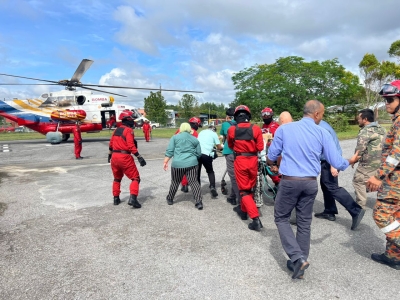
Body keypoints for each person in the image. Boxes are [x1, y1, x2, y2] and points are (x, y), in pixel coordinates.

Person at [267, 100, 360, 279]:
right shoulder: (322, 132)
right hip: (310, 183)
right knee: (304, 222)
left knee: (281, 217)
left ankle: (297, 258)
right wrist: (351, 160)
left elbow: (272, 155)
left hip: (290, 182)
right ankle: (301, 263)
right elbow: (337, 161)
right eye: (322, 114)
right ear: (316, 114)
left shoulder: (284, 129)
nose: (322, 117)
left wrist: (272, 163)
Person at [366, 80, 400, 270]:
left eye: (390, 99)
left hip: (395, 181)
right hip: (395, 180)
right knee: (396, 217)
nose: (387, 103)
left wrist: (378, 176)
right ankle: (393, 256)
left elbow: (397, 154)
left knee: (381, 215)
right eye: (385, 99)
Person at [314, 120, 365, 229]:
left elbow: (332, 147)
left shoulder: (322, 128)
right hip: (327, 160)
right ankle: (329, 211)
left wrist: (333, 164)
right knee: (325, 185)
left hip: (330, 160)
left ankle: (356, 210)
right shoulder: (320, 124)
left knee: (332, 187)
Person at [227, 105, 264, 231]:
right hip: (253, 160)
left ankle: (255, 219)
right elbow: (260, 147)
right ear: (248, 116)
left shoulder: (232, 130)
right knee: (250, 189)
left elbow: (231, 145)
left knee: (243, 191)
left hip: (240, 160)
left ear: (236, 116)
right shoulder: (256, 129)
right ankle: (243, 211)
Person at [108, 110, 147, 208]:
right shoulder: (128, 130)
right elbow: (130, 146)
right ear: (128, 120)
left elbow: (111, 145)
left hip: (114, 157)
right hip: (124, 157)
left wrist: (109, 155)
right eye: (131, 119)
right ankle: (133, 199)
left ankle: (116, 198)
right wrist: (139, 157)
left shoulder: (116, 130)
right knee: (135, 178)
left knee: (117, 178)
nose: (133, 121)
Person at [164, 122, 203, 210]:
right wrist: (193, 158)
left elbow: (170, 151)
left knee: (175, 181)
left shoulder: (175, 137)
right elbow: (199, 153)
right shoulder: (194, 139)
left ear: (180, 128)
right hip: (192, 163)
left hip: (177, 163)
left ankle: (170, 198)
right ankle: (198, 201)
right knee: (194, 182)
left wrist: (165, 162)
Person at [352, 109, 385, 209]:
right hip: (382, 162)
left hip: (368, 164)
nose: (358, 120)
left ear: (365, 119)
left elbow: (360, 150)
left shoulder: (365, 131)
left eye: (359, 118)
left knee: (358, 181)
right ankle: (384, 203)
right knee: (379, 180)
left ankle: (360, 206)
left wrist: (354, 160)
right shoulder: (381, 129)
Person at [219, 108, 240, 205]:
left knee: (233, 176)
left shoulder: (225, 124)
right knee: (238, 175)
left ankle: (240, 200)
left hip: (229, 151)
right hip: (240, 151)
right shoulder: (240, 123)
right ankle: (232, 196)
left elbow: (223, 136)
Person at [175, 117, 201, 193]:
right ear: (195, 124)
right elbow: (196, 144)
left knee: (181, 169)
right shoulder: (195, 133)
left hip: (179, 153)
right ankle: (187, 184)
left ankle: (184, 184)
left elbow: (174, 139)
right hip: (190, 154)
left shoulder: (180, 130)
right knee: (189, 170)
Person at [198, 125, 223, 198]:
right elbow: (219, 147)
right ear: (214, 130)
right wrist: (222, 146)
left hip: (198, 153)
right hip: (206, 154)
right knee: (210, 171)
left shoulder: (201, 132)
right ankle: (212, 186)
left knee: (197, 172)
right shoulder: (214, 134)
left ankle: (197, 189)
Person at [261, 107, 280, 191]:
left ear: (271, 115)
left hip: (272, 150)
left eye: (267, 115)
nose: (265, 117)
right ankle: (276, 182)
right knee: (264, 168)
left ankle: (278, 183)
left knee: (271, 168)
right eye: (263, 115)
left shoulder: (275, 126)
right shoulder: (264, 125)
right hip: (264, 149)